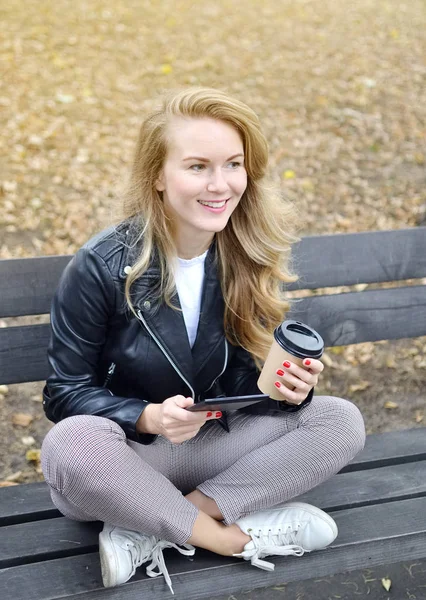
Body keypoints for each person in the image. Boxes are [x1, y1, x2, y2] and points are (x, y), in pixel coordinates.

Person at [41, 87, 366, 594]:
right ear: (157, 176)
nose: (220, 184)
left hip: (210, 450)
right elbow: (63, 393)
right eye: (197, 167)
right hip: (128, 458)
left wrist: (280, 388)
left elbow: (233, 381)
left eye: (233, 164)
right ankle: (235, 539)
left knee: (338, 420)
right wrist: (149, 417)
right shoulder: (101, 265)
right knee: (69, 447)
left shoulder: (241, 255)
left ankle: (156, 528)